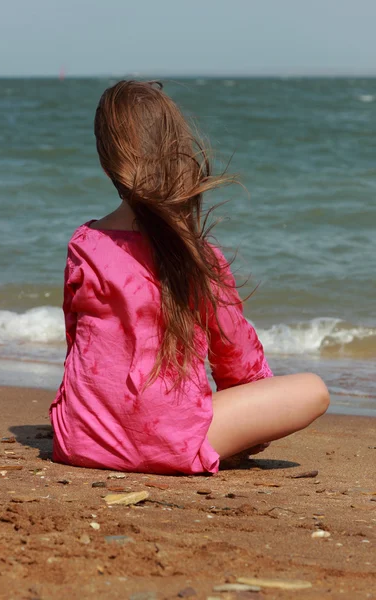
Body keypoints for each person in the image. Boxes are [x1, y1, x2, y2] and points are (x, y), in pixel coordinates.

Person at [50, 80, 329, 475]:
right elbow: (239, 363)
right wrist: (247, 420)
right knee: (313, 391)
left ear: (107, 161)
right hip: (169, 443)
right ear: (173, 149)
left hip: (80, 439)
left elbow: (75, 341)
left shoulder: (84, 244)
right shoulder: (196, 255)